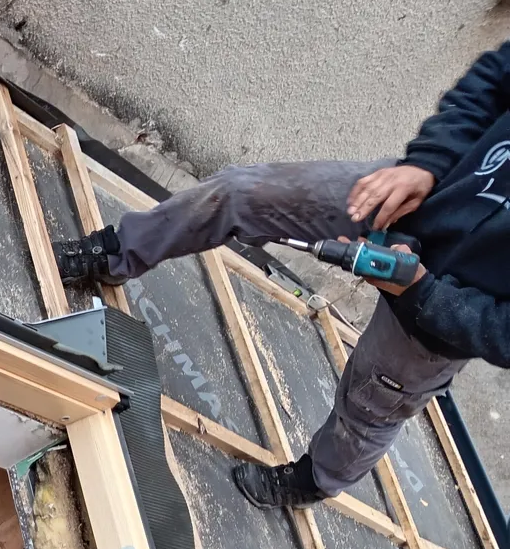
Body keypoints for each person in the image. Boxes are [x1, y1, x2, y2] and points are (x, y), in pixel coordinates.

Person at [53, 40, 510, 509]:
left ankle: (315, 480)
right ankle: (118, 253)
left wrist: (424, 295)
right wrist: (428, 164)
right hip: (413, 195)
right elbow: (494, 77)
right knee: (241, 193)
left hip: (445, 312)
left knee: (372, 403)